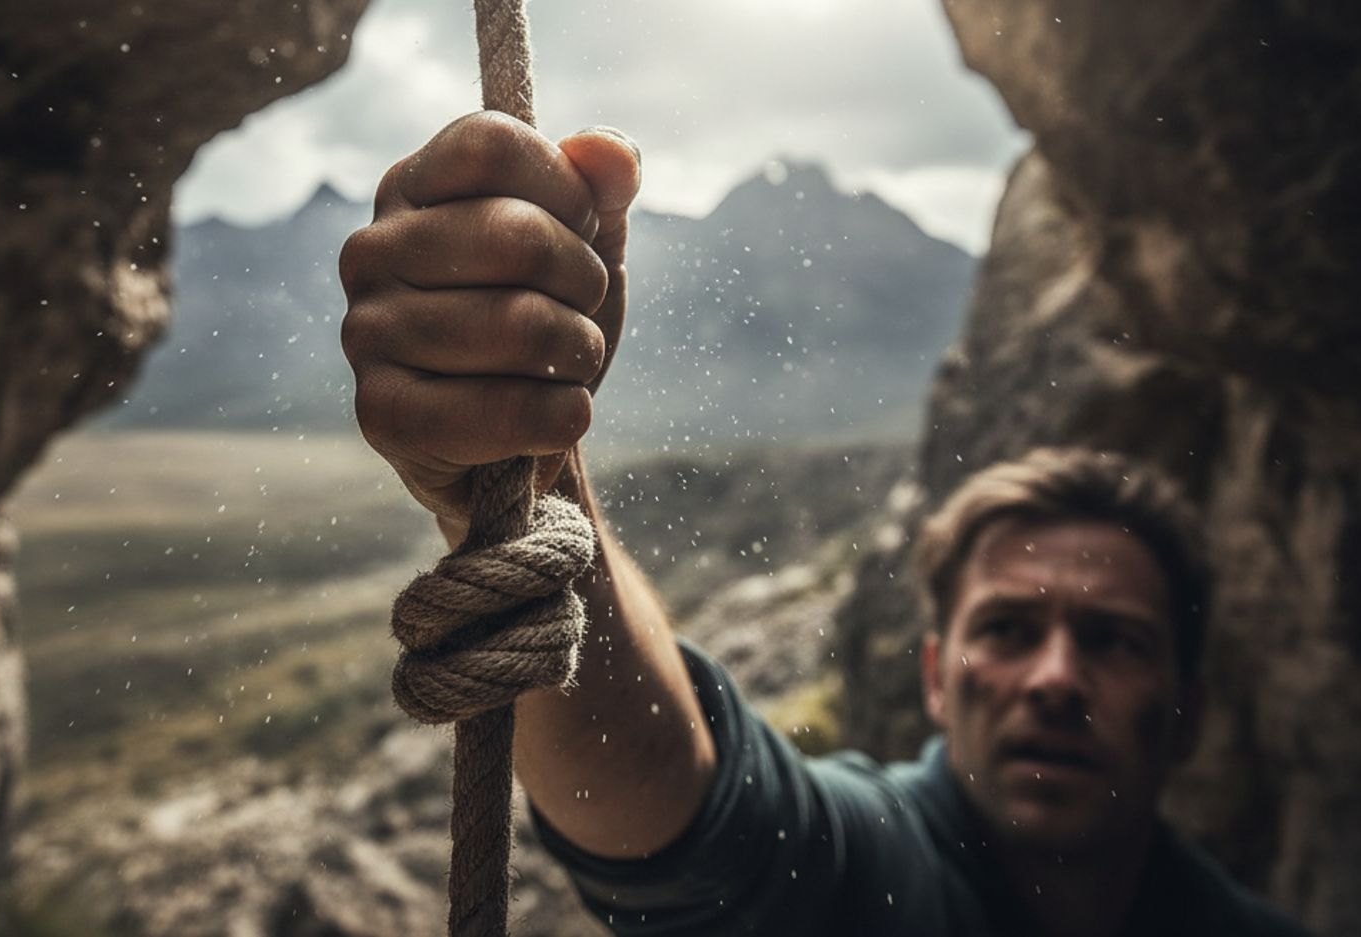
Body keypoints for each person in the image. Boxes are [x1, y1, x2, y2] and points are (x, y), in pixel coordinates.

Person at [339, 111, 1310, 936]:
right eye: (1009, 627)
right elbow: (684, 808)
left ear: (1189, 711)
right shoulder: (872, 867)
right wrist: (527, 485)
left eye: (1114, 639)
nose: (1055, 678)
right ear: (933, 674)